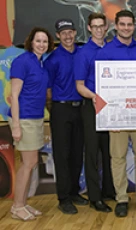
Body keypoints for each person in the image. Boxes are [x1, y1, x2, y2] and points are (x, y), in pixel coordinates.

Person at [95, 10, 136, 218]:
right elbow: (100, 87)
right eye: (122, 24)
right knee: (118, 157)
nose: (125, 28)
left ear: (134, 26)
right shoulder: (105, 52)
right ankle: (121, 198)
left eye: (129, 24)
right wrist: (106, 117)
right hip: (117, 115)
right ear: (116, 26)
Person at [8, 27, 54, 221]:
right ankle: (17, 206)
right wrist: (16, 126)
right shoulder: (22, 61)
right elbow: (14, 96)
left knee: (32, 162)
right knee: (27, 164)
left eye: (45, 41)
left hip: (35, 118)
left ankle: (23, 202)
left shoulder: (41, 63)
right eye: (38, 41)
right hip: (23, 118)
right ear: (30, 42)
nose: (41, 44)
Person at [44, 19, 88, 215]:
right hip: (61, 109)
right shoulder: (52, 59)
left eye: (70, 32)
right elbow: (48, 91)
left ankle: (74, 192)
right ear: (58, 36)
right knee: (62, 155)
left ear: (75, 32)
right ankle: (63, 198)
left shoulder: (82, 52)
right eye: (64, 33)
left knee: (78, 153)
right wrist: (55, 111)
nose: (68, 36)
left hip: (81, 108)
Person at [75, 12, 116, 213]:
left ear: (106, 28)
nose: (99, 29)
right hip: (92, 107)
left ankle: (109, 190)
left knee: (109, 151)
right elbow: (79, 85)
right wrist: (94, 97)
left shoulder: (112, 48)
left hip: (112, 108)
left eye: (102, 26)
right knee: (92, 153)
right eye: (95, 26)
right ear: (89, 28)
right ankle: (95, 196)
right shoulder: (83, 53)